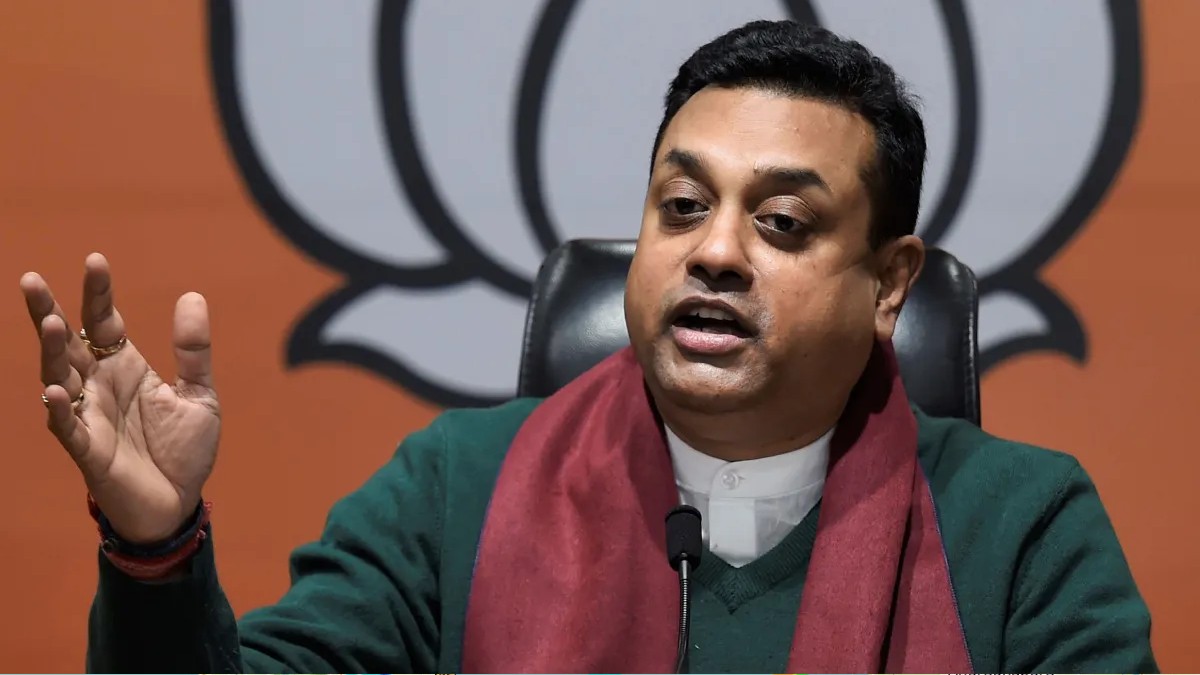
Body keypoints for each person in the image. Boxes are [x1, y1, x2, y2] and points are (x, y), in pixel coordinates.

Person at [21, 20, 1155, 674]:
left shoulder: (1023, 526)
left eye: (781, 224)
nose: (715, 253)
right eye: (681, 206)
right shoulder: (456, 489)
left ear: (890, 284)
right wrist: (157, 550)